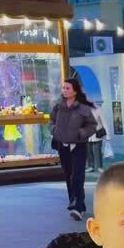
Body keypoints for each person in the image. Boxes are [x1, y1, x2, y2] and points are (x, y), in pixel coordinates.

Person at [50, 78, 97, 221]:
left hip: (78, 146)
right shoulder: (58, 106)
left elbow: (92, 125)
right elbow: (51, 120)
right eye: (63, 88)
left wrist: (81, 134)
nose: (64, 91)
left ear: (75, 91)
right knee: (68, 175)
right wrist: (54, 130)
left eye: (67, 88)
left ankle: (79, 207)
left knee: (77, 176)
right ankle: (73, 201)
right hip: (62, 145)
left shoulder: (84, 108)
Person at [87, 101, 110, 174]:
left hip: (97, 134)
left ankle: (99, 167)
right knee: (88, 151)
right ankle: (91, 166)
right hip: (87, 135)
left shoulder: (98, 110)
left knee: (97, 151)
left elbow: (104, 123)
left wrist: (108, 135)